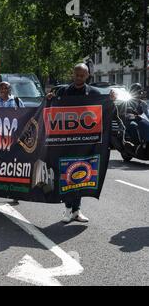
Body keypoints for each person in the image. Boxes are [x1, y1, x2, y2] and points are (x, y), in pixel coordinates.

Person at [46, 63, 102, 223]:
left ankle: (77, 211)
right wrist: (48, 99)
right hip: (64, 142)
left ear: (87, 76)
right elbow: (49, 110)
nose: (78, 78)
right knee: (65, 175)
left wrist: (110, 100)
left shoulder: (95, 93)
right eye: (76, 75)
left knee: (81, 175)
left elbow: (105, 111)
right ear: (73, 74)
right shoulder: (62, 92)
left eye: (82, 75)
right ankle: (67, 209)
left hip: (84, 143)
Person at [0, 81, 24, 205]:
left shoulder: (17, 101)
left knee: (13, 167)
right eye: (1, 87)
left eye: (6, 87)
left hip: (12, 141)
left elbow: (24, 116)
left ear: (10, 89)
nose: (4, 90)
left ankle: (15, 194)